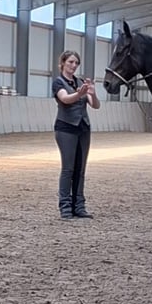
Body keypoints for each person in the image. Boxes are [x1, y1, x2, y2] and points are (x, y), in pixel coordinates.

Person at [52, 50, 101, 220]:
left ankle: (79, 206)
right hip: (66, 128)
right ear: (63, 63)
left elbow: (95, 105)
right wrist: (79, 94)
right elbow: (65, 99)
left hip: (83, 128)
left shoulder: (80, 82)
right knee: (68, 169)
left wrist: (92, 92)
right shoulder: (58, 83)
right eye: (71, 62)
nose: (73, 66)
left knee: (80, 170)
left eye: (76, 63)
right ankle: (65, 207)